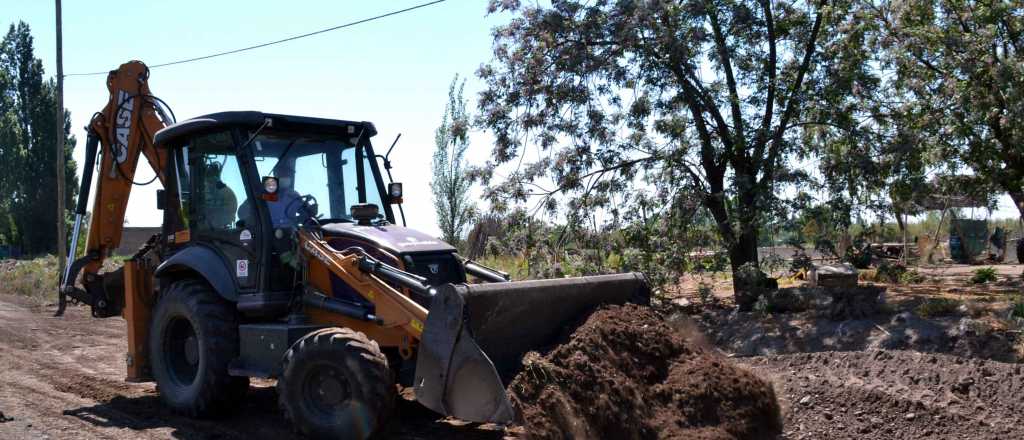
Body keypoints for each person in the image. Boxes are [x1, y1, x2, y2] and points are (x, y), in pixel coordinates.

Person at [267, 163, 303, 228]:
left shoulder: (294, 195)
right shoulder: (264, 194)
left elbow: (304, 211)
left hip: (291, 234)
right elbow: (243, 211)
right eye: (283, 174)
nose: (286, 177)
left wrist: (311, 210)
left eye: (288, 175)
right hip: (269, 234)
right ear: (275, 175)